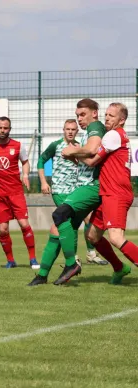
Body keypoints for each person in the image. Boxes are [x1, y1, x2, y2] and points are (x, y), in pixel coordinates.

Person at [29, 119, 106, 285]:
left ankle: (43, 274)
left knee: (58, 230)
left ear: (77, 131)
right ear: (63, 130)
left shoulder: (79, 148)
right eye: (67, 129)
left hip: (76, 191)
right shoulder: (56, 145)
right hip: (59, 191)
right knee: (64, 223)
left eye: (73, 129)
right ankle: (74, 261)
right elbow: (41, 160)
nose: (70, 132)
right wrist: (43, 181)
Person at [75, 102, 138, 285]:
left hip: (116, 193)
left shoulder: (112, 135)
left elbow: (92, 161)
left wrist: (72, 150)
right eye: (106, 115)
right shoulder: (116, 135)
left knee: (116, 237)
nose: (107, 118)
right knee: (93, 236)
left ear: (122, 120)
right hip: (107, 193)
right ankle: (119, 268)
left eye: (112, 115)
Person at [48, 98, 107, 285]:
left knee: (60, 216)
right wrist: (75, 154)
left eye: (82, 115)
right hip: (87, 187)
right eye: (77, 116)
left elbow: (91, 150)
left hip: (93, 187)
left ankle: (71, 264)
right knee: (66, 228)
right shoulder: (89, 131)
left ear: (94, 113)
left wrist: (72, 151)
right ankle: (43, 274)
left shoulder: (95, 126)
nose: (79, 119)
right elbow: (89, 159)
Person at [0, 116, 39, 269]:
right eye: (0, 127)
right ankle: (10, 260)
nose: (2, 130)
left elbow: (25, 162)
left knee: (24, 224)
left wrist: (25, 175)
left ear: (9, 129)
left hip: (16, 192)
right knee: (3, 229)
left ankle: (33, 259)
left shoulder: (18, 146)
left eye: (5, 128)